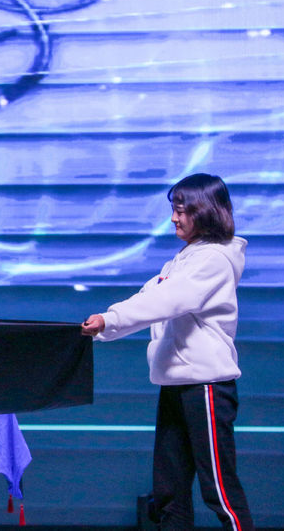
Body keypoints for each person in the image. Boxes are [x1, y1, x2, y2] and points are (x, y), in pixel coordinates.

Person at [82, 173, 253, 530]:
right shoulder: (184, 259)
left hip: (206, 388)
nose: (174, 218)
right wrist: (105, 324)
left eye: (181, 210)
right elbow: (149, 297)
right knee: (170, 492)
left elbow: (166, 301)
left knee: (220, 490)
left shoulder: (214, 260)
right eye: (173, 209)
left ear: (205, 211)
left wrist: (109, 320)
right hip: (177, 385)